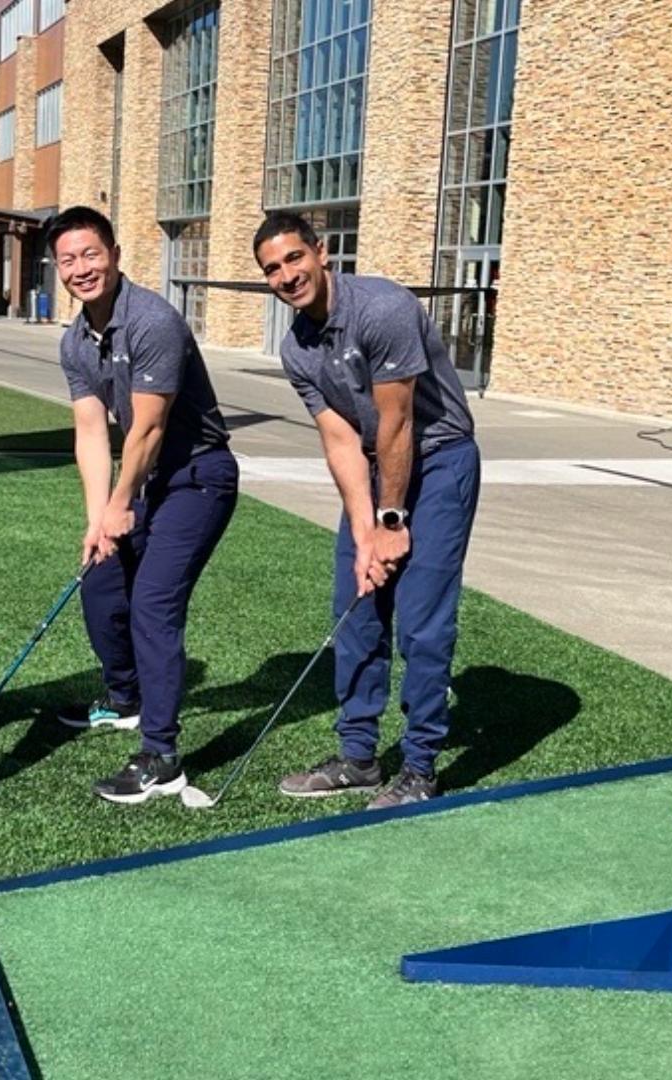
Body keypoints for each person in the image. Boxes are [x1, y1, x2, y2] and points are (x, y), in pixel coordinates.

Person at [252, 210, 480, 809]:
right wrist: (363, 528)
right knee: (356, 611)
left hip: (439, 459)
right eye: (273, 269)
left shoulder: (383, 309)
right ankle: (358, 758)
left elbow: (398, 424)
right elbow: (341, 440)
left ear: (321, 253)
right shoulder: (296, 348)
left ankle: (421, 768)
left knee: (422, 621)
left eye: (294, 259)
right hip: (376, 467)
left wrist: (391, 523)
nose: (286, 275)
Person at [48, 206, 239, 804]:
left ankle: (162, 755)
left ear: (115, 254)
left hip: (196, 475)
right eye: (68, 260)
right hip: (147, 478)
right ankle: (125, 698)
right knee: (100, 581)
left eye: (91, 254)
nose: (82, 268)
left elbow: (149, 430)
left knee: (155, 603)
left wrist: (122, 501)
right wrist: (98, 517)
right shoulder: (76, 341)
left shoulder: (153, 320)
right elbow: (89, 432)